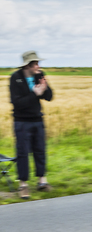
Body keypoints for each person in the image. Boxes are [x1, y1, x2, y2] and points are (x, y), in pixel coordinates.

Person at [9, 51, 53, 199]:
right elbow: (17, 103)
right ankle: (23, 185)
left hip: (37, 120)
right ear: (28, 65)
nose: (38, 66)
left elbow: (49, 97)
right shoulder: (16, 78)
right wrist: (34, 93)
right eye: (35, 63)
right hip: (21, 122)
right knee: (22, 153)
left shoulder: (39, 75)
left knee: (40, 150)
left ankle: (42, 181)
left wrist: (45, 88)